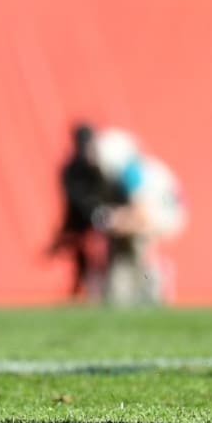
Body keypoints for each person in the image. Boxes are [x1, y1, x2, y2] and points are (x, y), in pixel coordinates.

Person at [49, 123, 185, 305]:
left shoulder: (131, 172)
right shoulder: (130, 169)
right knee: (118, 277)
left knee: (137, 251)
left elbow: (142, 215)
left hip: (159, 217)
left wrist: (113, 220)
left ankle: (154, 281)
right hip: (150, 216)